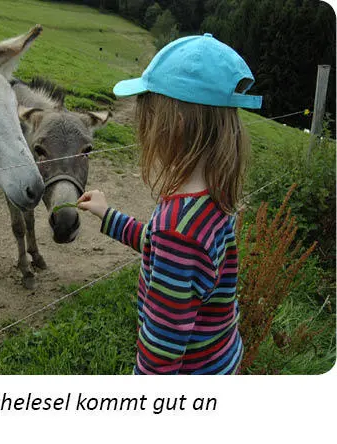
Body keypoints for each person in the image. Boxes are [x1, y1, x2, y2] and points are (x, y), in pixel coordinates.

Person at [77, 33, 262, 374]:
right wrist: (108, 215)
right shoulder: (214, 197)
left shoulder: (178, 230)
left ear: (173, 129)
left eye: (146, 123)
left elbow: (160, 359)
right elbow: (157, 245)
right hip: (222, 358)